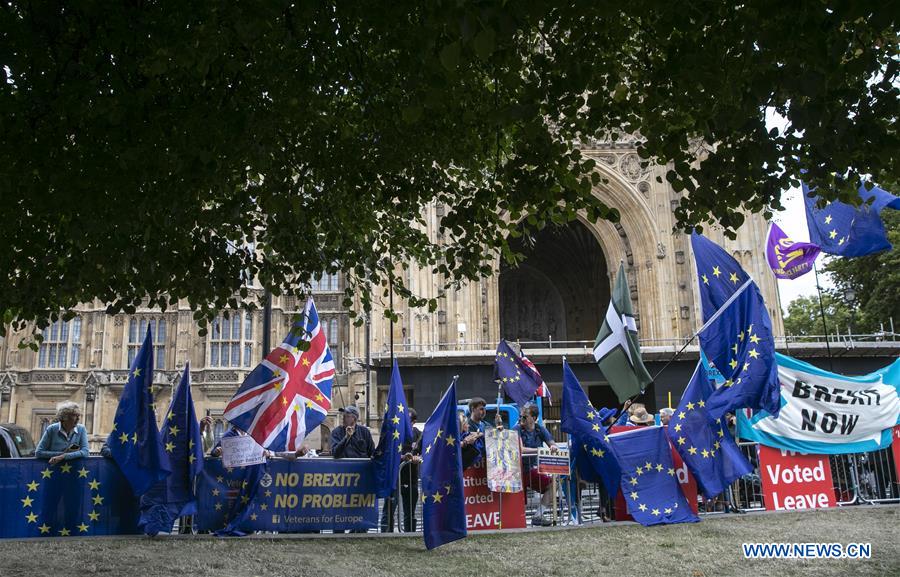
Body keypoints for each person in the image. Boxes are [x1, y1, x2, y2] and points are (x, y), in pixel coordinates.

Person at [513, 403, 558, 526]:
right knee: (521, 501)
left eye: (524, 417)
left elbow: (553, 444)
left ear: (534, 418)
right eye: (520, 416)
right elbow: (520, 449)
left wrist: (553, 446)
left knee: (553, 485)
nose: (521, 419)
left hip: (531, 470)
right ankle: (516, 523)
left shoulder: (540, 429)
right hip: (517, 472)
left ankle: (538, 515)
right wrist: (540, 450)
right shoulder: (517, 429)